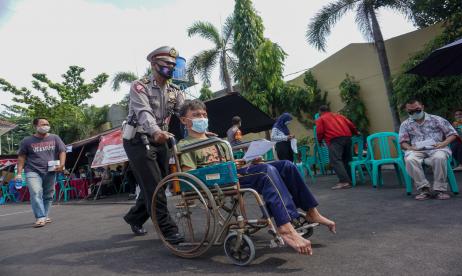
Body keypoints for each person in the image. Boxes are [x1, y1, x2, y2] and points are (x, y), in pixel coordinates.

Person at [178, 100, 336, 256]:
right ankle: (285, 227)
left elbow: (230, 163)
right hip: (216, 180)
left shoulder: (218, 142)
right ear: (184, 120)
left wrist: (248, 160)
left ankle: (311, 211)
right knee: (265, 172)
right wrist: (226, 170)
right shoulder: (185, 145)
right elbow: (190, 174)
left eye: (204, 115)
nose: (202, 118)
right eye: (196, 115)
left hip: (234, 172)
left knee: (287, 166)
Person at [122, 45, 184, 243]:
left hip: (161, 139)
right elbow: (144, 113)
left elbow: (184, 113)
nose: (170, 67)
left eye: (173, 64)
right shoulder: (140, 86)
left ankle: (135, 217)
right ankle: (167, 229)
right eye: (166, 63)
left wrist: (199, 128)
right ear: (153, 63)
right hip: (138, 140)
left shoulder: (175, 91)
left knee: (158, 183)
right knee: (154, 185)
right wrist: (156, 131)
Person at [399, 99, 458, 200]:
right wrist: (409, 147)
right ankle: (424, 189)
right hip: (417, 150)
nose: (414, 113)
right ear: (407, 111)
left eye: (417, 110)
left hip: (438, 148)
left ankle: (440, 190)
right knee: (410, 159)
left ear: (422, 107)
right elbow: (403, 141)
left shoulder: (436, 119)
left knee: (439, 157)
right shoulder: (405, 124)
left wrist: (443, 143)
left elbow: (452, 134)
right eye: (411, 112)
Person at [16, 118, 66, 228]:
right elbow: (21, 157)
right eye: (43, 124)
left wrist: (62, 164)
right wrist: (19, 173)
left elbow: (62, 151)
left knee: (48, 194)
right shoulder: (27, 140)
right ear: (35, 126)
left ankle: (45, 215)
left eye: (47, 124)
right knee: (35, 192)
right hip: (32, 171)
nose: (46, 126)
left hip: (50, 171)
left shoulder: (55, 138)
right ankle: (40, 217)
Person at [315, 105, 359, 190]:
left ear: (320, 111)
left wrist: (319, 141)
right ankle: (349, 180)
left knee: (335, 160)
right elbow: (351, 125)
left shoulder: (321, 119)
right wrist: (356, 133)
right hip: (347, 138)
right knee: (346, 159)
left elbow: (319, 131)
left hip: (335, 139)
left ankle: (344, 182)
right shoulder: (339, 116)